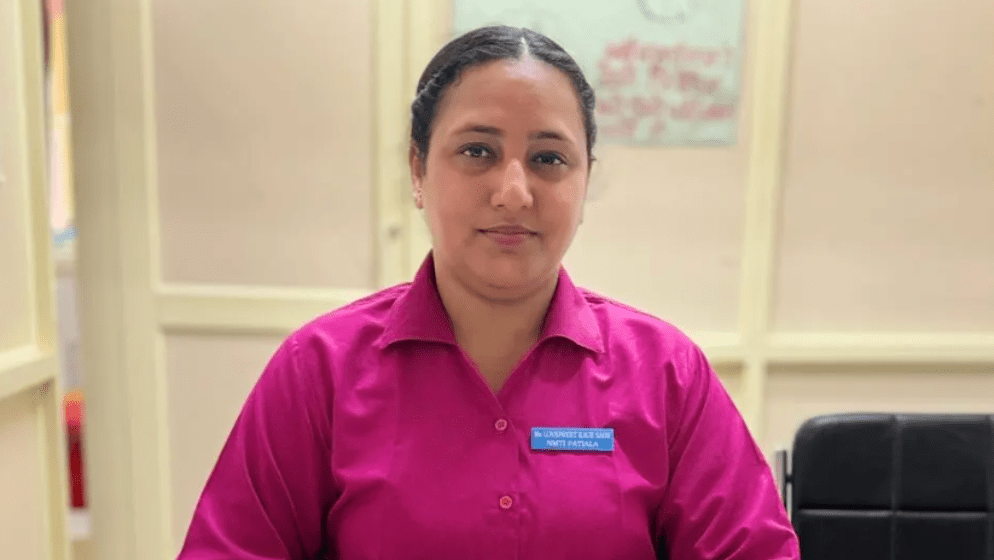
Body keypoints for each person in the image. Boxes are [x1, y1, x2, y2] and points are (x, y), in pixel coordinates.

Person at [178, 25, 800, 560]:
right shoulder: (320, 371)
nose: (513, 192)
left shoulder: (666, 375)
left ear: (585, 182)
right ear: (418, 171)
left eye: (549, 159)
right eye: (477, 151)